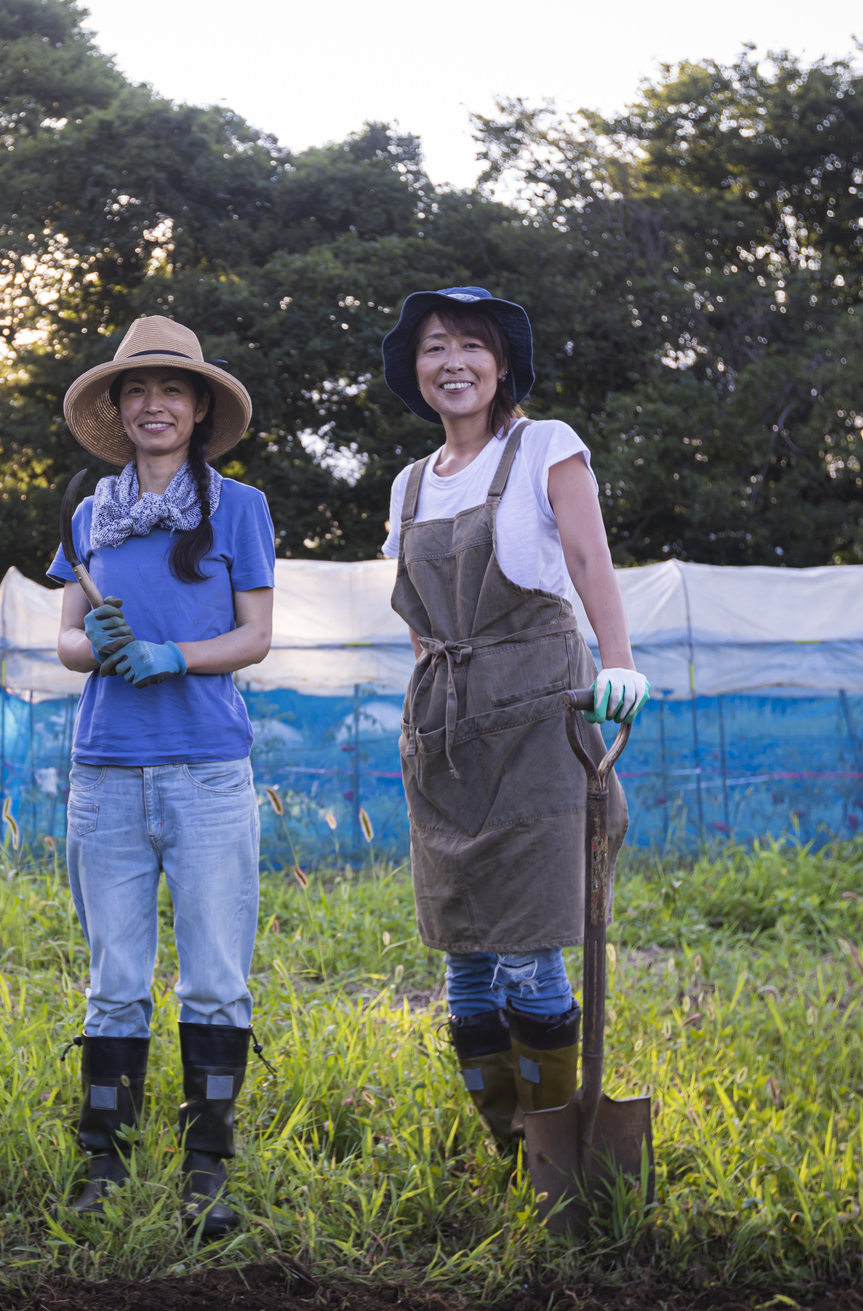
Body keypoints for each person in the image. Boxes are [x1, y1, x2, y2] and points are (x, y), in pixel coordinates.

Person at [377, 286, 648, 1157]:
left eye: (468, 346)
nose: (450, 363)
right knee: (462, 954)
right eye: (432, 348)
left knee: (530, 946)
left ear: (500, 366)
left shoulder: (544, 446)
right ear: (414, 370)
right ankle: (508, 1148)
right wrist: (440, 678)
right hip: (448, 734)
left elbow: (584, 555)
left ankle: (555, 1145)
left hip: (540, 716)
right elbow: (416, 611)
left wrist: (617, 661)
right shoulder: (411, 483)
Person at [47, 315, 276, 1237]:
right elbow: (65, 638)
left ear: (199, 410)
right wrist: (93, 647)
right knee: (114, 981)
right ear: (117, 407)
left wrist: (173, 655)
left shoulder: (240, 509)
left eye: (170, 390)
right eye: (135, 390)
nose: (152, 404)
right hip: (104, 775)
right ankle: (102, 1161)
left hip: (207, 773)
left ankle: (207, 1167)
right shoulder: (86, 512)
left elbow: (255, 636)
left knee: (216, 979)